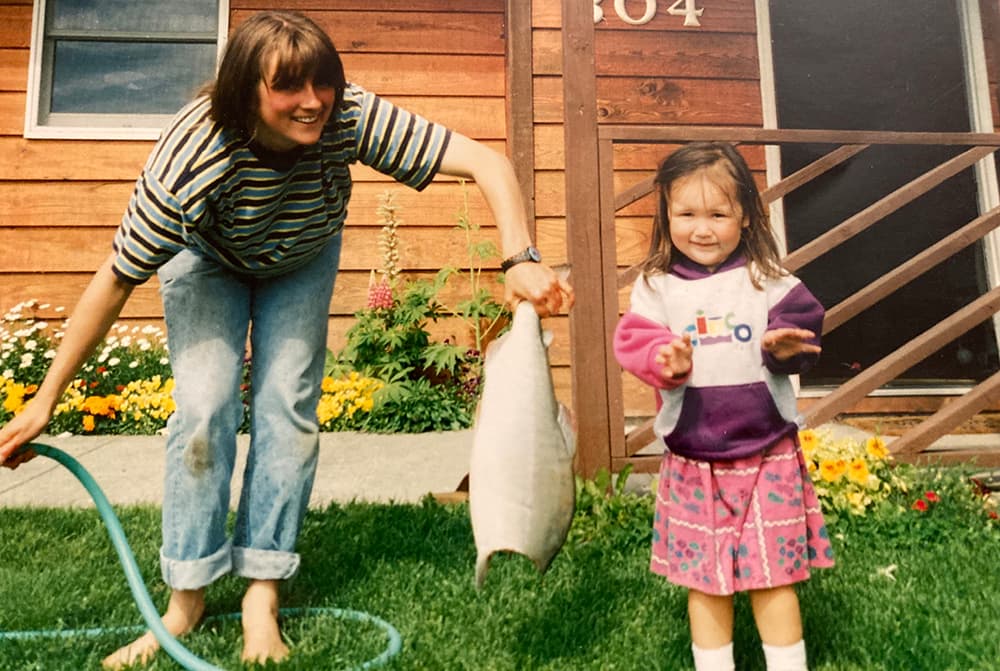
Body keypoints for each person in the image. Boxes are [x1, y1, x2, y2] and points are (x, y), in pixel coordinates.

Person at [0, 10, 573, 668]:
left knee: (288, 409)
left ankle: (261, 592)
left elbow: (484, 161)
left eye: (323, 83)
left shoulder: (348, 116)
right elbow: (114, 280)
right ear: (247, 90)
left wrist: (518, 256)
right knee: (204, 410)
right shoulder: (193, 159)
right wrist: (46, 398)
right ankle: (186, 594)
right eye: (290, 88)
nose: (313, 102)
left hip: (300, 256)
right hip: (206, 260)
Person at [613, 142, 833, 671]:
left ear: (746, 215)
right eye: (686, 214)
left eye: (718, 213)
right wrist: (664, 359)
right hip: (693, 459)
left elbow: (802, 327)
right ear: (666, 216)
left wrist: (783, 345)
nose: (702, 229)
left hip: (768, 455)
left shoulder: (767, 280)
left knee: (774, 576)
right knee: (705, 583)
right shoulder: (656, 287)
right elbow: (635, 343)